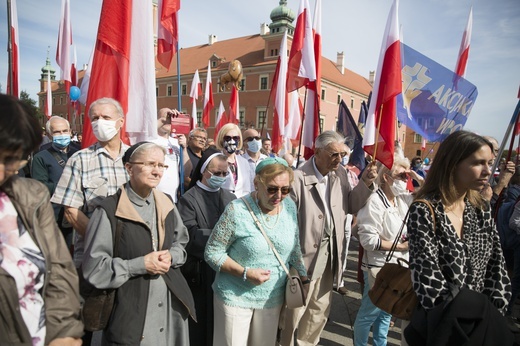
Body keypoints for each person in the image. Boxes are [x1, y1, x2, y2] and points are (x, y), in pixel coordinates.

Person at [405, 131, 513, 344]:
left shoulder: (480, 209)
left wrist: (490, 318)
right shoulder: (425, 210)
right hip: (442, 327)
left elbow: (497, 269)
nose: (487, 171)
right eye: (479, 163)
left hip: (481, 328)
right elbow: (428, 281)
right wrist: (468, 319)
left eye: (489, 163)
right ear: (453, 164)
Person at [82, 142, 195, 345]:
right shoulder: (108, 210)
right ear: (129, 168)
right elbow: (94, 269)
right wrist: (139, 265)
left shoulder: (167, 202)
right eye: (150, 164)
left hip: (171, 309)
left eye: (161, 165)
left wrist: (172, 255)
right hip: (130, 311)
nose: (157, 171)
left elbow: (181, 242)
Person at [279, 131, 378, 346]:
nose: (339, 159)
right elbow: (287, 226)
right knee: (293, 314)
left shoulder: (340, 174)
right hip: (303, 259)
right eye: (334, 154)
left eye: (342, 154)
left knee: (318, 311)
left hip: (330, 255)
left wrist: (366, 183)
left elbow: (350, 206)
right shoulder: (296, 178)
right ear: (317, 152)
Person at [0, 94, 83, 345]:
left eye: (14, 159)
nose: (7, 170)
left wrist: (64, 332)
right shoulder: (43, 161)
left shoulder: (29, 196)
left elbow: (58, 269)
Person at [50, 97, 130, 345]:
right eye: (94, 118)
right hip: (92, 259)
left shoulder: (137, 158)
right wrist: (103, 242)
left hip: (132, 259)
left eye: (105, 117)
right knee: (88, 323)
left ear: (120, 121)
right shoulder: (80, 160)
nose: (99, 123)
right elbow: (71, 211)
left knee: (126, 324)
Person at [204, 157, 308, 346]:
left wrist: (303, 276)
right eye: (272, 189)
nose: (278, 195)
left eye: (285, 190)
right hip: (234, 298)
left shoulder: (290, 208)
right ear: (256, 183)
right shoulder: (237, 210)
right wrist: (245, 272)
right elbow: (212, 252)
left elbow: (294, 248)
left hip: (272, 299)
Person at [353, 154, 417, 346]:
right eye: (401, 176)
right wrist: (401, 246)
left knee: (387, 313)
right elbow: (368, 240)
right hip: (379, 267)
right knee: (369, 313)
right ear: (386, 178)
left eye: (407, 177)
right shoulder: (375, 201)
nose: (405, 181)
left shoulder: (403, 200)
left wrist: (418, 177)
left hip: (399, 267)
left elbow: (432, 196)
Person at [178, 148, 236, 346]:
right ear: (204, 171)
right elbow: (189, 235)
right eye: (216, 173)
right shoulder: (189, 199)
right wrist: (225, 238)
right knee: (202, 326)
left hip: (227, 271)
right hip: (202, 272)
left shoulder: (231, 198)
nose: (220, 177)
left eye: (224, 173)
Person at [31, 116, 80, 249]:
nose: (62, 135)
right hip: (54, 215)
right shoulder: (41, 157)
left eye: (65, 131)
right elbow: (40, 187)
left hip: (78, 214)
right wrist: (66, 186)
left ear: (70, 132)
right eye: (57, 132)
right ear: (49, 135)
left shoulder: (78, 155)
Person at [153, 107, 188, 202]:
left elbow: (187, 171)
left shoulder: (176, 142)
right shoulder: (151, 139)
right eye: (165, 116)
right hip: (154, 197)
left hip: (173, 199)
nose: (168, 119)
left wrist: (184, 148)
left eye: (171, 117)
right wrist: (163, 120)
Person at [216, 123, 253, 198]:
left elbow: (246, 189)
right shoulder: (215, 160)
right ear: (221, 139)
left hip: (240, 205)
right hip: (220, 205)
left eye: (235, 138)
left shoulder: (244, 162)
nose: (232, 141)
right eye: (228, 138)